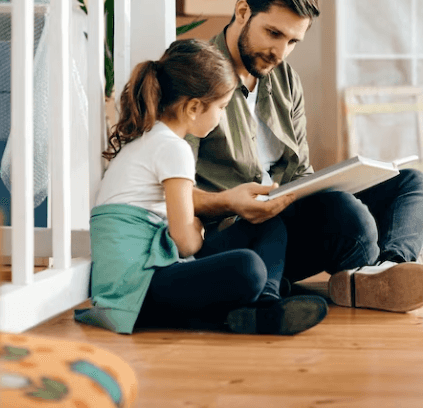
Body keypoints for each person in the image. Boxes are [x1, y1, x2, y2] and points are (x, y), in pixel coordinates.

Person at [182, 0, 423, 313]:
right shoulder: (197, 75)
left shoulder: (285, 81)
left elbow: (299, 172)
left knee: (413, 183)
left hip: (290, 211)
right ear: (242, 12)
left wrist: (335, 182)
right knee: (347, 214)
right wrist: (230, 202)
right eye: (273, 33)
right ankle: (388, 259)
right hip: (245, 231)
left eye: (293, 41)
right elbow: (172, 187)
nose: (280, 53)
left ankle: (391, 264)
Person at [74, 38, 328, 336]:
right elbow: (186, 243)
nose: (222, 116)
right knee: (248, 268)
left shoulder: (150, 139)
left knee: (267, 226)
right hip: (137, 290)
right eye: (221, 107)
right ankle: (259, 305)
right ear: (194, 107)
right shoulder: (173, 148)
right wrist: (197, 227)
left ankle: (263, 305)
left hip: (144, 275)